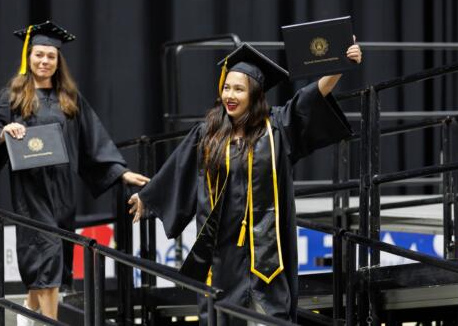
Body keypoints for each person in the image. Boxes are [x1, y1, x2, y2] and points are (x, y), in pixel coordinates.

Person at [128, 42, 362, 325]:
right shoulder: (208, 135)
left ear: (254, 94)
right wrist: (149, 199)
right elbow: (180, 170)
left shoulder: (275, 128)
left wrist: (339, 65)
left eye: (238, 89)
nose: (230, 95)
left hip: (266, 261)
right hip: (222, 260)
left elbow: (311, 99)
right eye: (226, 88)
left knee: (269, 318)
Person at [0, 21, 150, 324]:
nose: (44, 61)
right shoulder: (12, 96)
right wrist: (2, 133)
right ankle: (51, 321)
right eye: (39, 55)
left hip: (62, 192)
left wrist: (120, 173)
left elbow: (94, 140)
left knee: (53, 259)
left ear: (58, 60)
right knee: (47, 253)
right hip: (30, 191)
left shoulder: (69, 98)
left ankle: (27, 311)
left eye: (51, 56)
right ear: (29, 56)